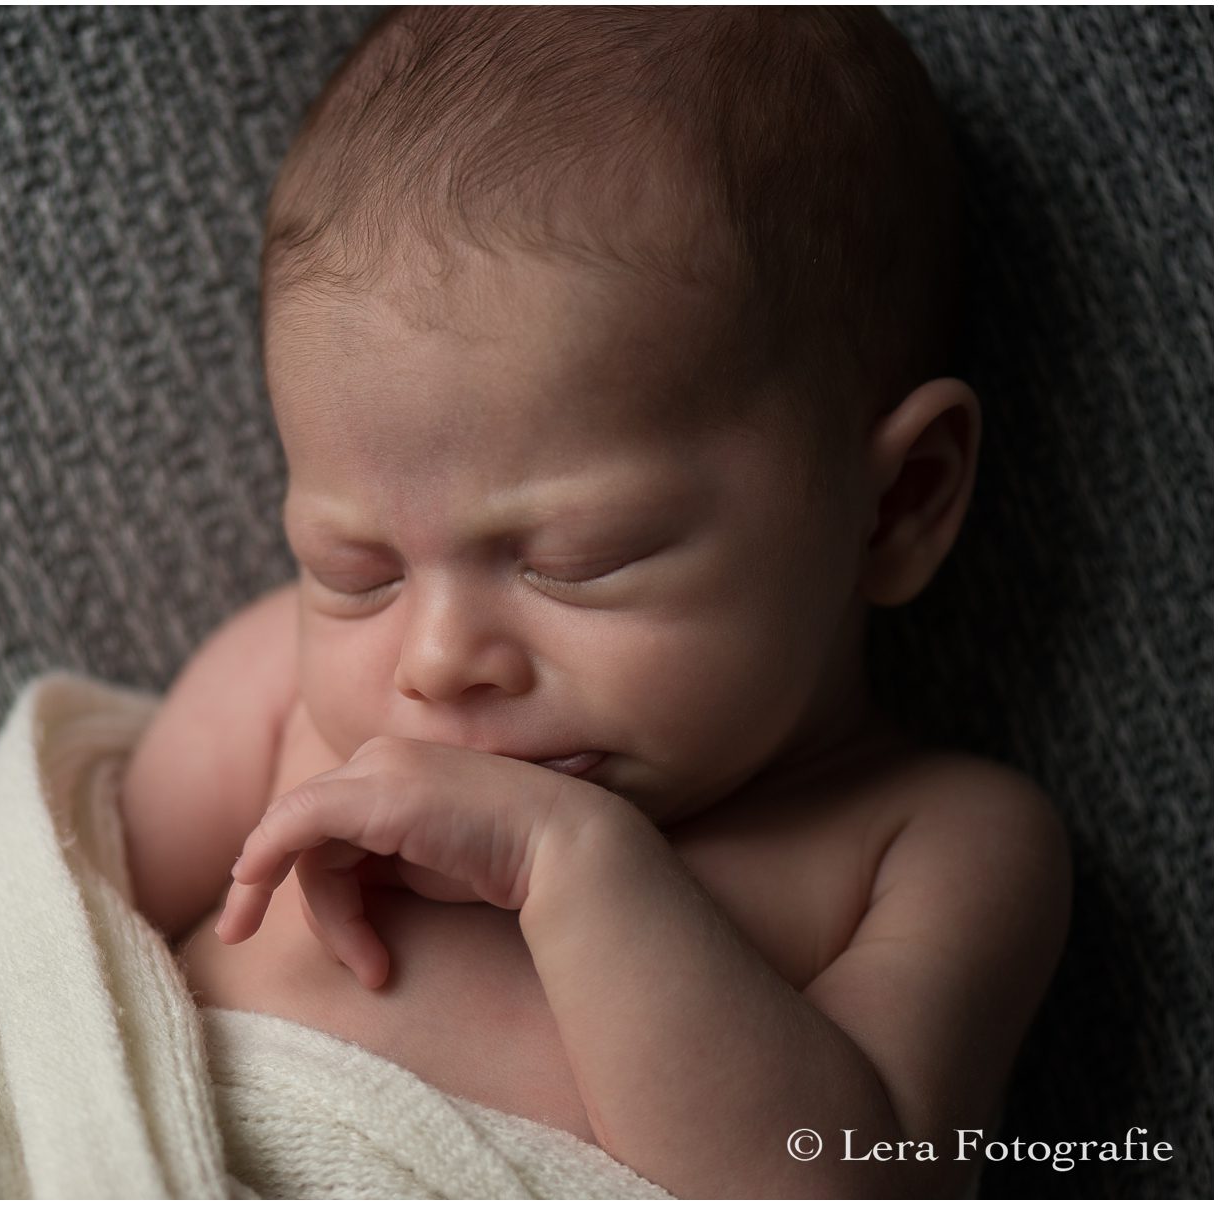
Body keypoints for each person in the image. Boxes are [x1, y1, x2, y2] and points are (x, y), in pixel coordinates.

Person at [118, 8, 1071, 1197]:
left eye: (572, 556)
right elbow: (52, 943)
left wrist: (575, 863)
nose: (436, 655)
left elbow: (848, 1182)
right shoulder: (286, 692)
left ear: (897, 503)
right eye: (357, 569)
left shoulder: (934, 845)